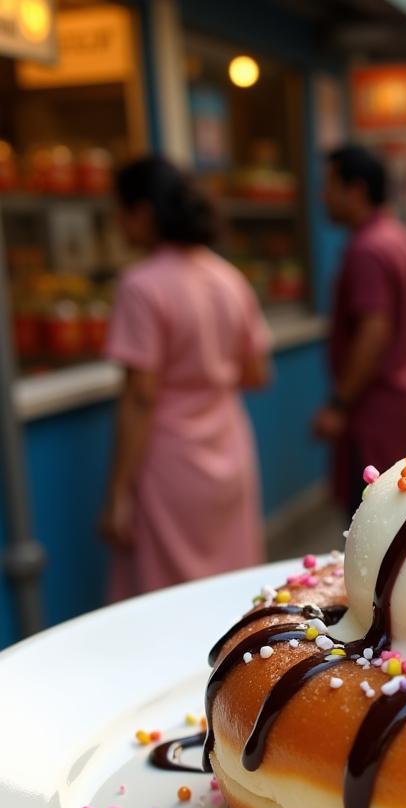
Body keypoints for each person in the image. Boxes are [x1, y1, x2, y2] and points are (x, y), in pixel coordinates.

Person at [100, 156, 269, 600]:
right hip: (229, 445)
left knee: (167, 593)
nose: (117, 223)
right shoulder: (228, 278)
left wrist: (118, 492)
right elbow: (257, 373)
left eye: (120, 210)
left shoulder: (141, 285)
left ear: (143, 213)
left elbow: (140, 397)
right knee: (230, 586)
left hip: (168, 459)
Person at [313, 145, 406, 517]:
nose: (323, 197)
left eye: (329, 186)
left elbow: (374, 331)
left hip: (376, 417)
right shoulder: (400, 239)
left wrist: (339, 403)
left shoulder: (368, 249)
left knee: (372, 521)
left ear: (355, 190)